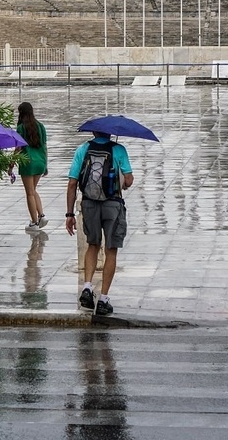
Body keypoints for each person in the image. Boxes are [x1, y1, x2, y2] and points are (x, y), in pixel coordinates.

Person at [65, 131, 134, 316]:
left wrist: (70, 213)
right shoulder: (118, 149)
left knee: (93, 245)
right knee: (111, 250)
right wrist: (122, 182)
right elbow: (128, 180)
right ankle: (103, 299)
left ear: (94, 132)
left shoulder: (83, 149)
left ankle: (87, 288)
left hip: (89, 204)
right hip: (113, 204)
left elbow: (72, 183)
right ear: (111, 133)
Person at [11, 102, 49, 231]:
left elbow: (18, 148)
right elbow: (44, 146)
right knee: (33, 190)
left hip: (28, 163)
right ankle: (41, 215)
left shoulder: (21, 128)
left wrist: (11, 165)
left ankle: (34, 223)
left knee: (29, 193)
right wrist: (46, 164)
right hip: (40, 162)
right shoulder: (41, 126)